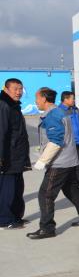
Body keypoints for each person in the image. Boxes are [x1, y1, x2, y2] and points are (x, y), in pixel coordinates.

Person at [27, 87, 79, 240]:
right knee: (71, 189)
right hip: (69, 159)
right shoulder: (60, 112)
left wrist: (42, 161)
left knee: (45, 195)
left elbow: (56, 141)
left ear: (44, 99)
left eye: (37, 98)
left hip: (59, 162)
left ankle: (47, 228)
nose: (36, 101)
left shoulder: (53, 114)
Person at [0, 78, 30, 229]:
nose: (19, 92)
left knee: (18, 189)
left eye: (20, 89)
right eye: (15, 89)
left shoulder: (14, 106)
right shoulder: (3, 105)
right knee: (7, 190)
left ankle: (16, 217)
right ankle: (4, 220)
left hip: (17, 156)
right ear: (6, 89)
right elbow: (1, 133)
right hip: (8, 157)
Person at [60, 91, 79, 185]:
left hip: (78, 140)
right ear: (65, 99)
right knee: (70, 162)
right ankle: (70, 181)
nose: (74, 100)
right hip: (68, 142)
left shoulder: (75, 109)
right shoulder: (59, 111)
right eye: (72, 98)